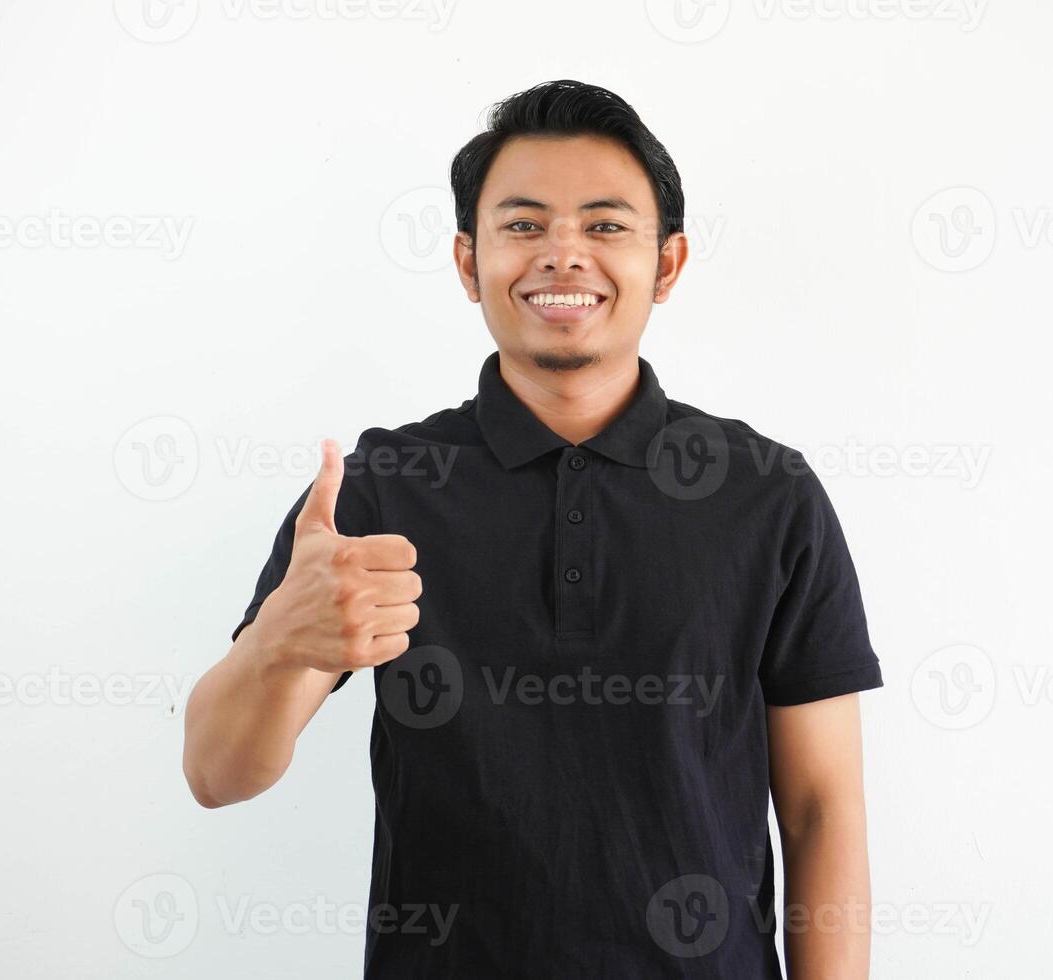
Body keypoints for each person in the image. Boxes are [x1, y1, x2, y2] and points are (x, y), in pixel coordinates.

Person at [184, 78, 883, 978]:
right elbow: (216, 773)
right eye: (522, 225)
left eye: (603, 224)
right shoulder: (381, 494)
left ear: (665, 265)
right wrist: (276, 645)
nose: (563, 255)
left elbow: (823, 808)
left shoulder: (768, 495)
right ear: (468, 263)